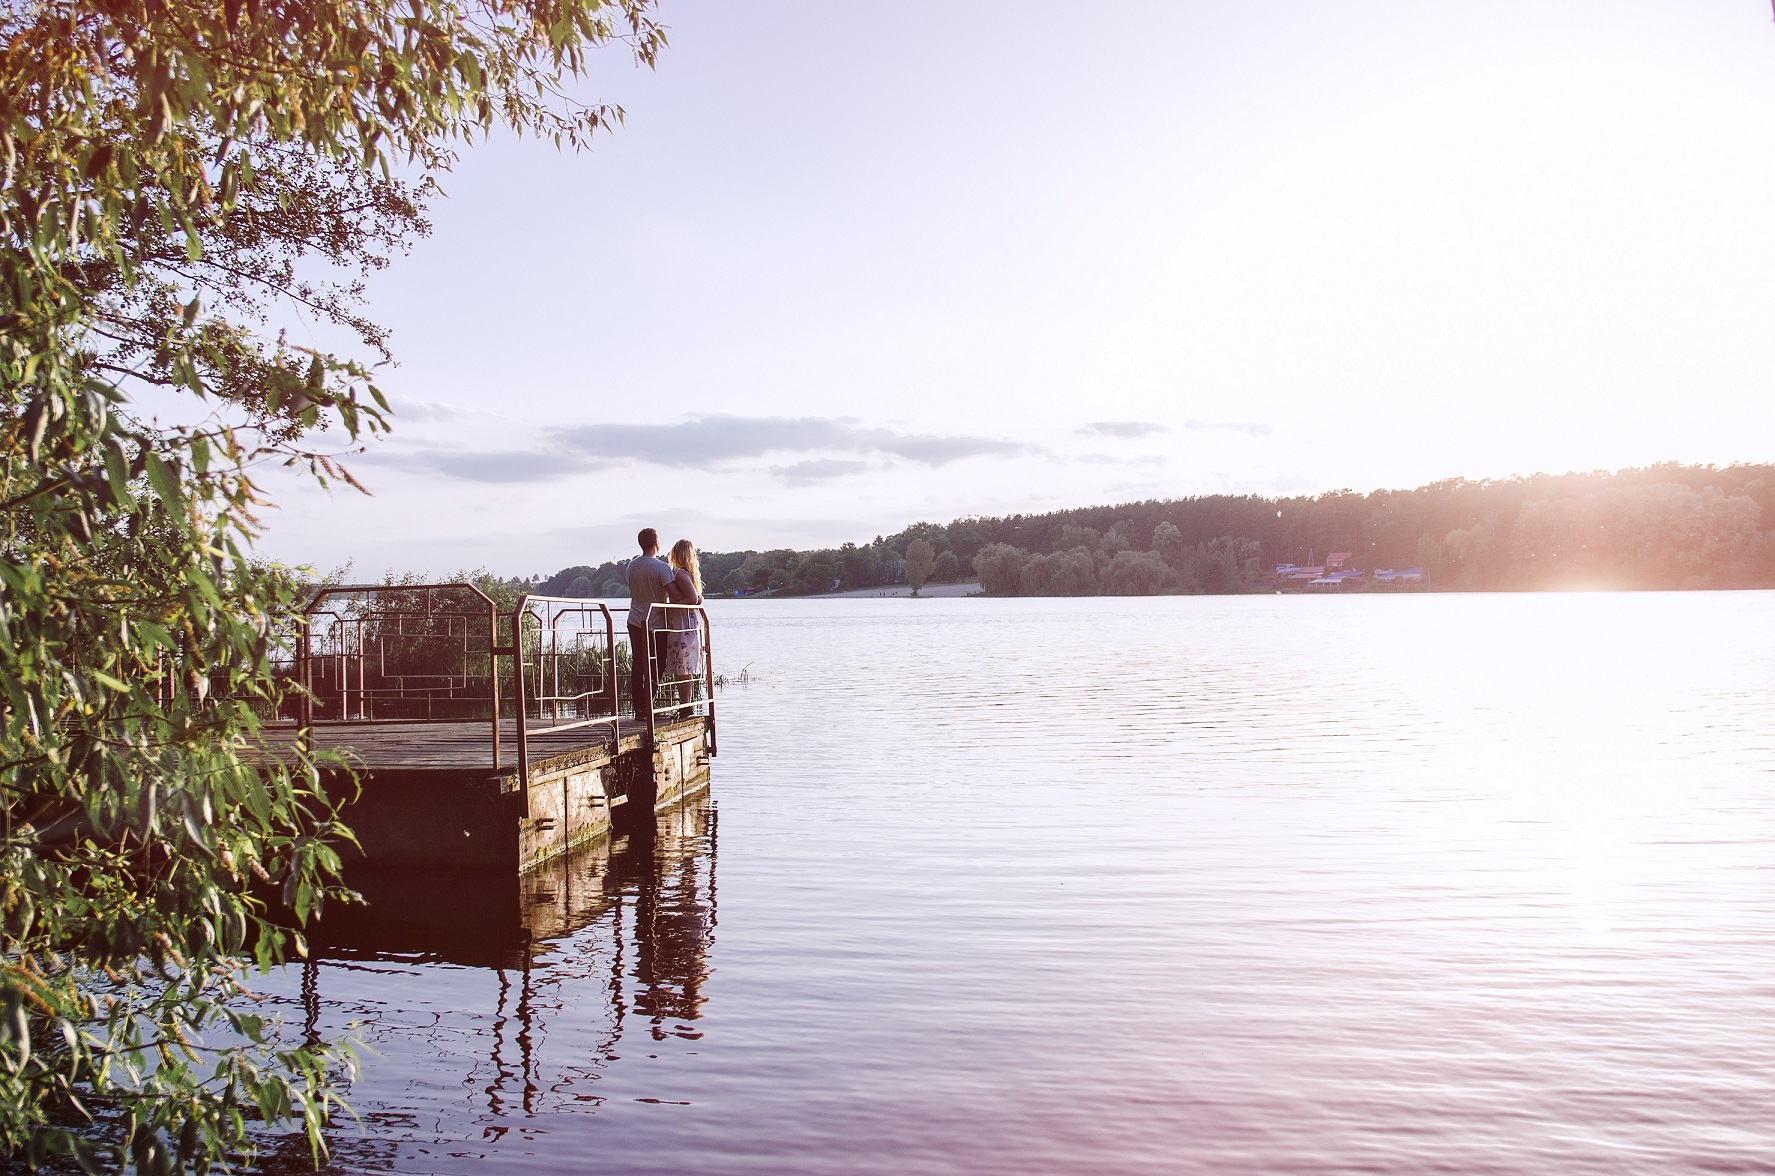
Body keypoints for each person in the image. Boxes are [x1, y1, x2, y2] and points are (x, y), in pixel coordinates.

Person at [625, 528, 676, 726]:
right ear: (656, 543)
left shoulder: (632, 566)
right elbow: (673, 593)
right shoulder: (661, 567)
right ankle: (648, 707)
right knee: (657, 664)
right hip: (655, 622)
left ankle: (639, 708)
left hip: (634, 620)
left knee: (638, 663)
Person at [665, 538, 705, 716]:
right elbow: (696, 598)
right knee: (682, 665)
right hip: (686, 623)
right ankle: (684, 705)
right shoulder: (688, 574)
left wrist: (670, 606)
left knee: (683, 666)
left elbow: (693, 599)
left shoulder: (681, 574)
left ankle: (686, 705)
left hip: (683, 625)